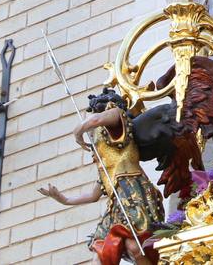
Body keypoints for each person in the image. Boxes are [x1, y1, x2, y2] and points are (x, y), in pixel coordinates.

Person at [38, 88, 162, 265]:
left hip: (133, 193)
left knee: (135, 247)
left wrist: (78, 131)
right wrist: (64, 199)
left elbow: (97, 119)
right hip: (116, 205)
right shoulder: (104, 162)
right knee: (100, 251)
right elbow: (94, 195)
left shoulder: (118, 116)